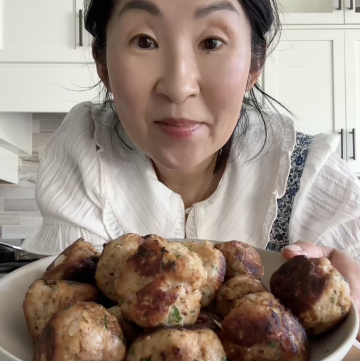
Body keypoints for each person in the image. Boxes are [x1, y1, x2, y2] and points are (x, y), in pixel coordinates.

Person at [22, 0, 360, 338]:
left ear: (254, 66)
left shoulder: (311, 175)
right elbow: (53, 316)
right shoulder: (83, 151)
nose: (178, 86)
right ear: (103, 62)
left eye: (211, 42)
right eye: (144, 40)